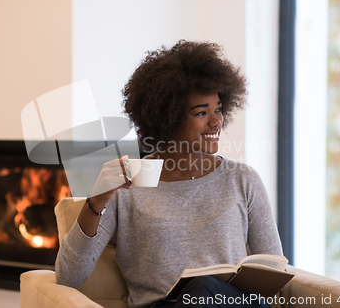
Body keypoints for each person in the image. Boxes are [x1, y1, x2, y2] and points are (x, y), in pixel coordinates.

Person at [56, 40, 283, 308]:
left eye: (218, 109)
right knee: (201, 290)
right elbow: (69, 276)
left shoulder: (243, 179)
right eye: (202, 112)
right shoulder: (128, 185)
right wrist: (95, 202)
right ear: (169, 117)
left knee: (207, 291)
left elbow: (273, 270)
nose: (216, 121)